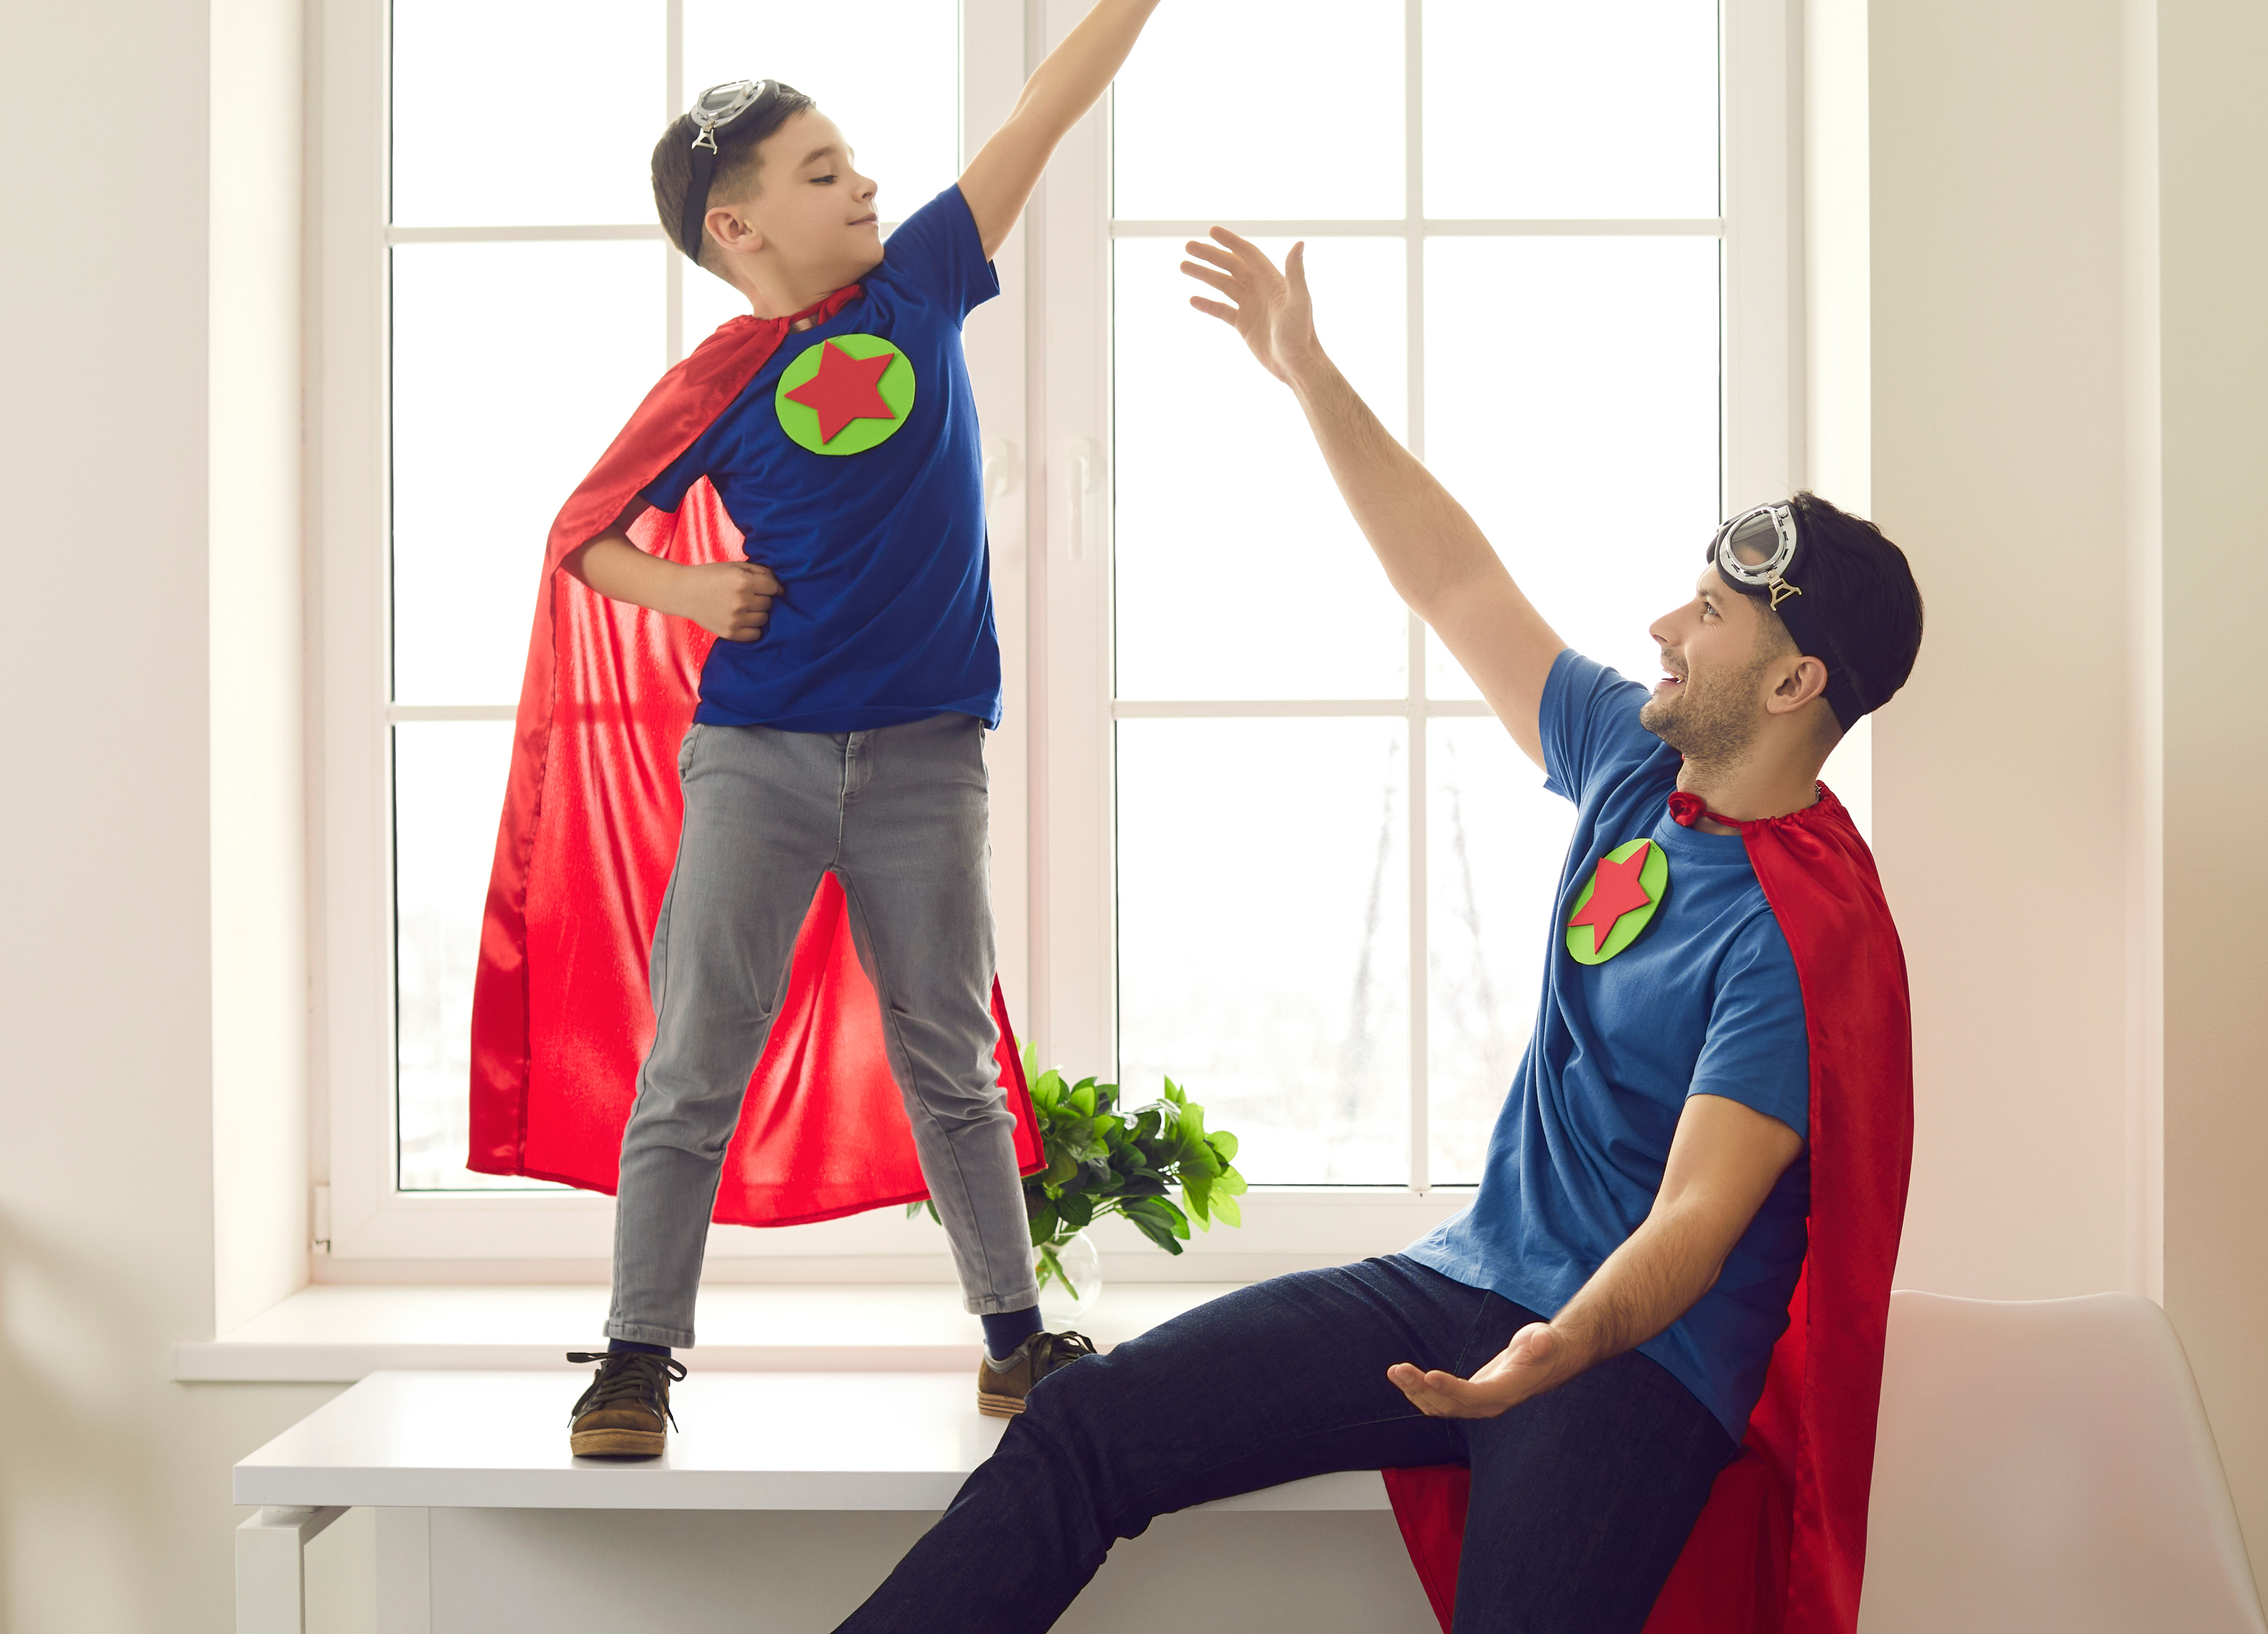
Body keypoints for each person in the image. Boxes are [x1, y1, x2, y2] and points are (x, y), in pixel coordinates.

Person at [830, 230, 1926, 1634]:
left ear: (1795, 682)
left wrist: (1557, 1349)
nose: (1662, 626)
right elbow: (1455, 581)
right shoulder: (1632, 765)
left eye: (1705, 616)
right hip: (1465, 1279)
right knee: (1086, 1427)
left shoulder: (1793, 940)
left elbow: (1698, 1226)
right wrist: (1305, 368)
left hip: (1629, 1358)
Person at [481, 0, 1167, 1461]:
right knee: (696, 1059)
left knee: (952, 1055)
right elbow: (587, 536)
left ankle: (1013, 1338)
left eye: (854, 160)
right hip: (761, 762)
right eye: (820, 170)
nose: (861, 184)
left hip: (927, 761)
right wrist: (691, 585)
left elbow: (1042, 112)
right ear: (738, 230)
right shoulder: (716, 385)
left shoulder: (920, 281)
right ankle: (636, 1356)